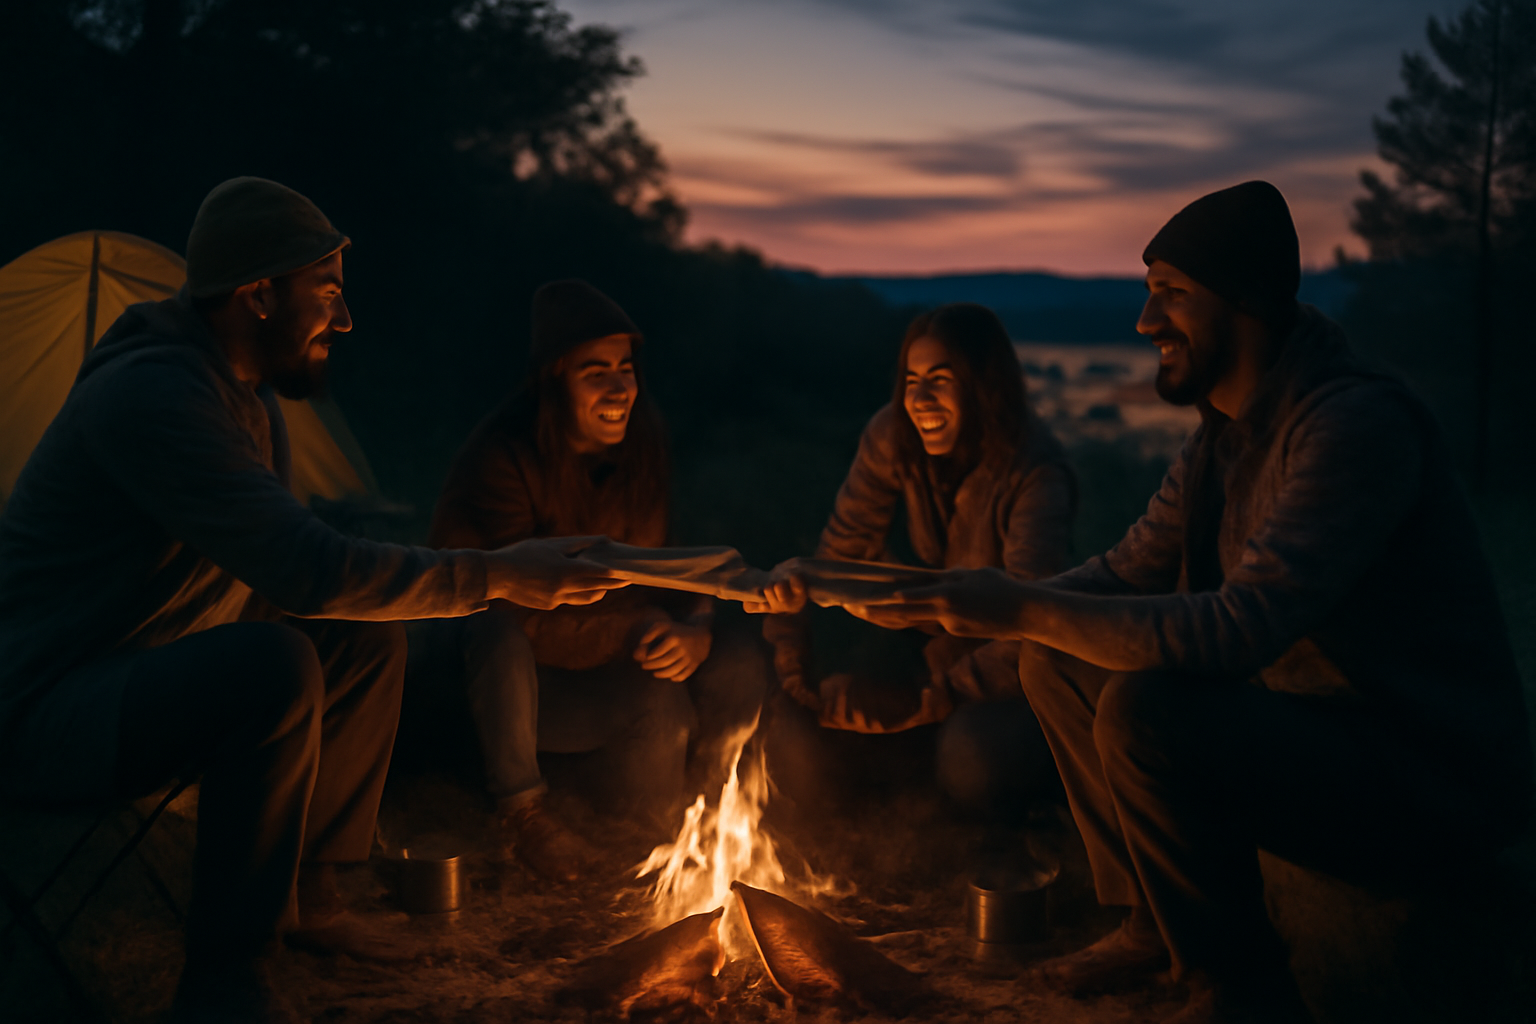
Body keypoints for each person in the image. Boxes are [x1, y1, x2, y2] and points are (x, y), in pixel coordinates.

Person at [818, 181, 1533, 1024]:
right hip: (1314, 733)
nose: (1144, 322)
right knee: (1057, 656)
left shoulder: (1353, 426)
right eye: (1148, 293)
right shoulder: (1221, 440)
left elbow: (1240, 629)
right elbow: (1120, 575)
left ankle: (1236, 986)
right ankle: (1152, 924)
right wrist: (950, 601)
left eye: (1171, 296)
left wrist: (1012, 607)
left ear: (1250, 302)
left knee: (1147, 710)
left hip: (1418, 768)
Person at [0, 178, 627, 1024]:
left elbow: (297, 572)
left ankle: (312, 903)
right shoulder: (155, 396)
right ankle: (224, 981)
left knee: (362, 641)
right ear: (259, 295)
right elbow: (309, 571)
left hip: (135, 673)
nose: (345, 319)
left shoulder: (246, 398)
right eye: (327, 292)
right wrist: (503, 573)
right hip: (46, 705)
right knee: (274, 661)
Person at [427, 279, 772, 880]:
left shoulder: (642, 441)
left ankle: (712, 813)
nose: (620, 388)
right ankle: (523, 815)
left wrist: (694, 626)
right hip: (514, 685)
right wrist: (640, 626)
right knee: (494, 635)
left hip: (612, 661)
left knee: (735, 657)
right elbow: (513, 608)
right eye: (595, 372)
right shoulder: (503, 458)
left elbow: (671, 558)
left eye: (625, 368)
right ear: (554, 382)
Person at [760, 303, 1074, 824]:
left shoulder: (1035, 472)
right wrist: (794, 666)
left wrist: (925, 700)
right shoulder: (893, 436)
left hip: (1009, 675)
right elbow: (838, 555)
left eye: (941, 380)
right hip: (925, 654)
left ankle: (1014, 790)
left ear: (982, 385)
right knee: (796, 741)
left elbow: (1032, 624)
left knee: (972, 760)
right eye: (912, 379)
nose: (921, 399)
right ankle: (913, 773)